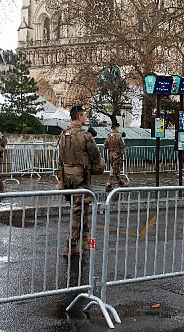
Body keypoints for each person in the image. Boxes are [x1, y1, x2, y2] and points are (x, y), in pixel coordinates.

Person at [57, 105, 102, 256]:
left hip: (67, 177)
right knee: (78, 211)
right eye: (84, 115)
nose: (86, 118)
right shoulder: (85, 136)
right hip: (81, 178)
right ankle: (70, 245)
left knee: (83, 209)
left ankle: (85, 239)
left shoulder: (63, 134)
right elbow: (96, 157)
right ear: (79, 117)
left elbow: (60, 157)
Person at [104, 120, 127, 192]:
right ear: (116, 128)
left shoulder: (109, 136)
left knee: (116, 169)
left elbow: (105, 145)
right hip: (117, 154)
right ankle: (109, 185)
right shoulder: (118, 136)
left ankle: (121, 183)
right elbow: (122, 145)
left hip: (111, 154)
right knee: (114, 170)